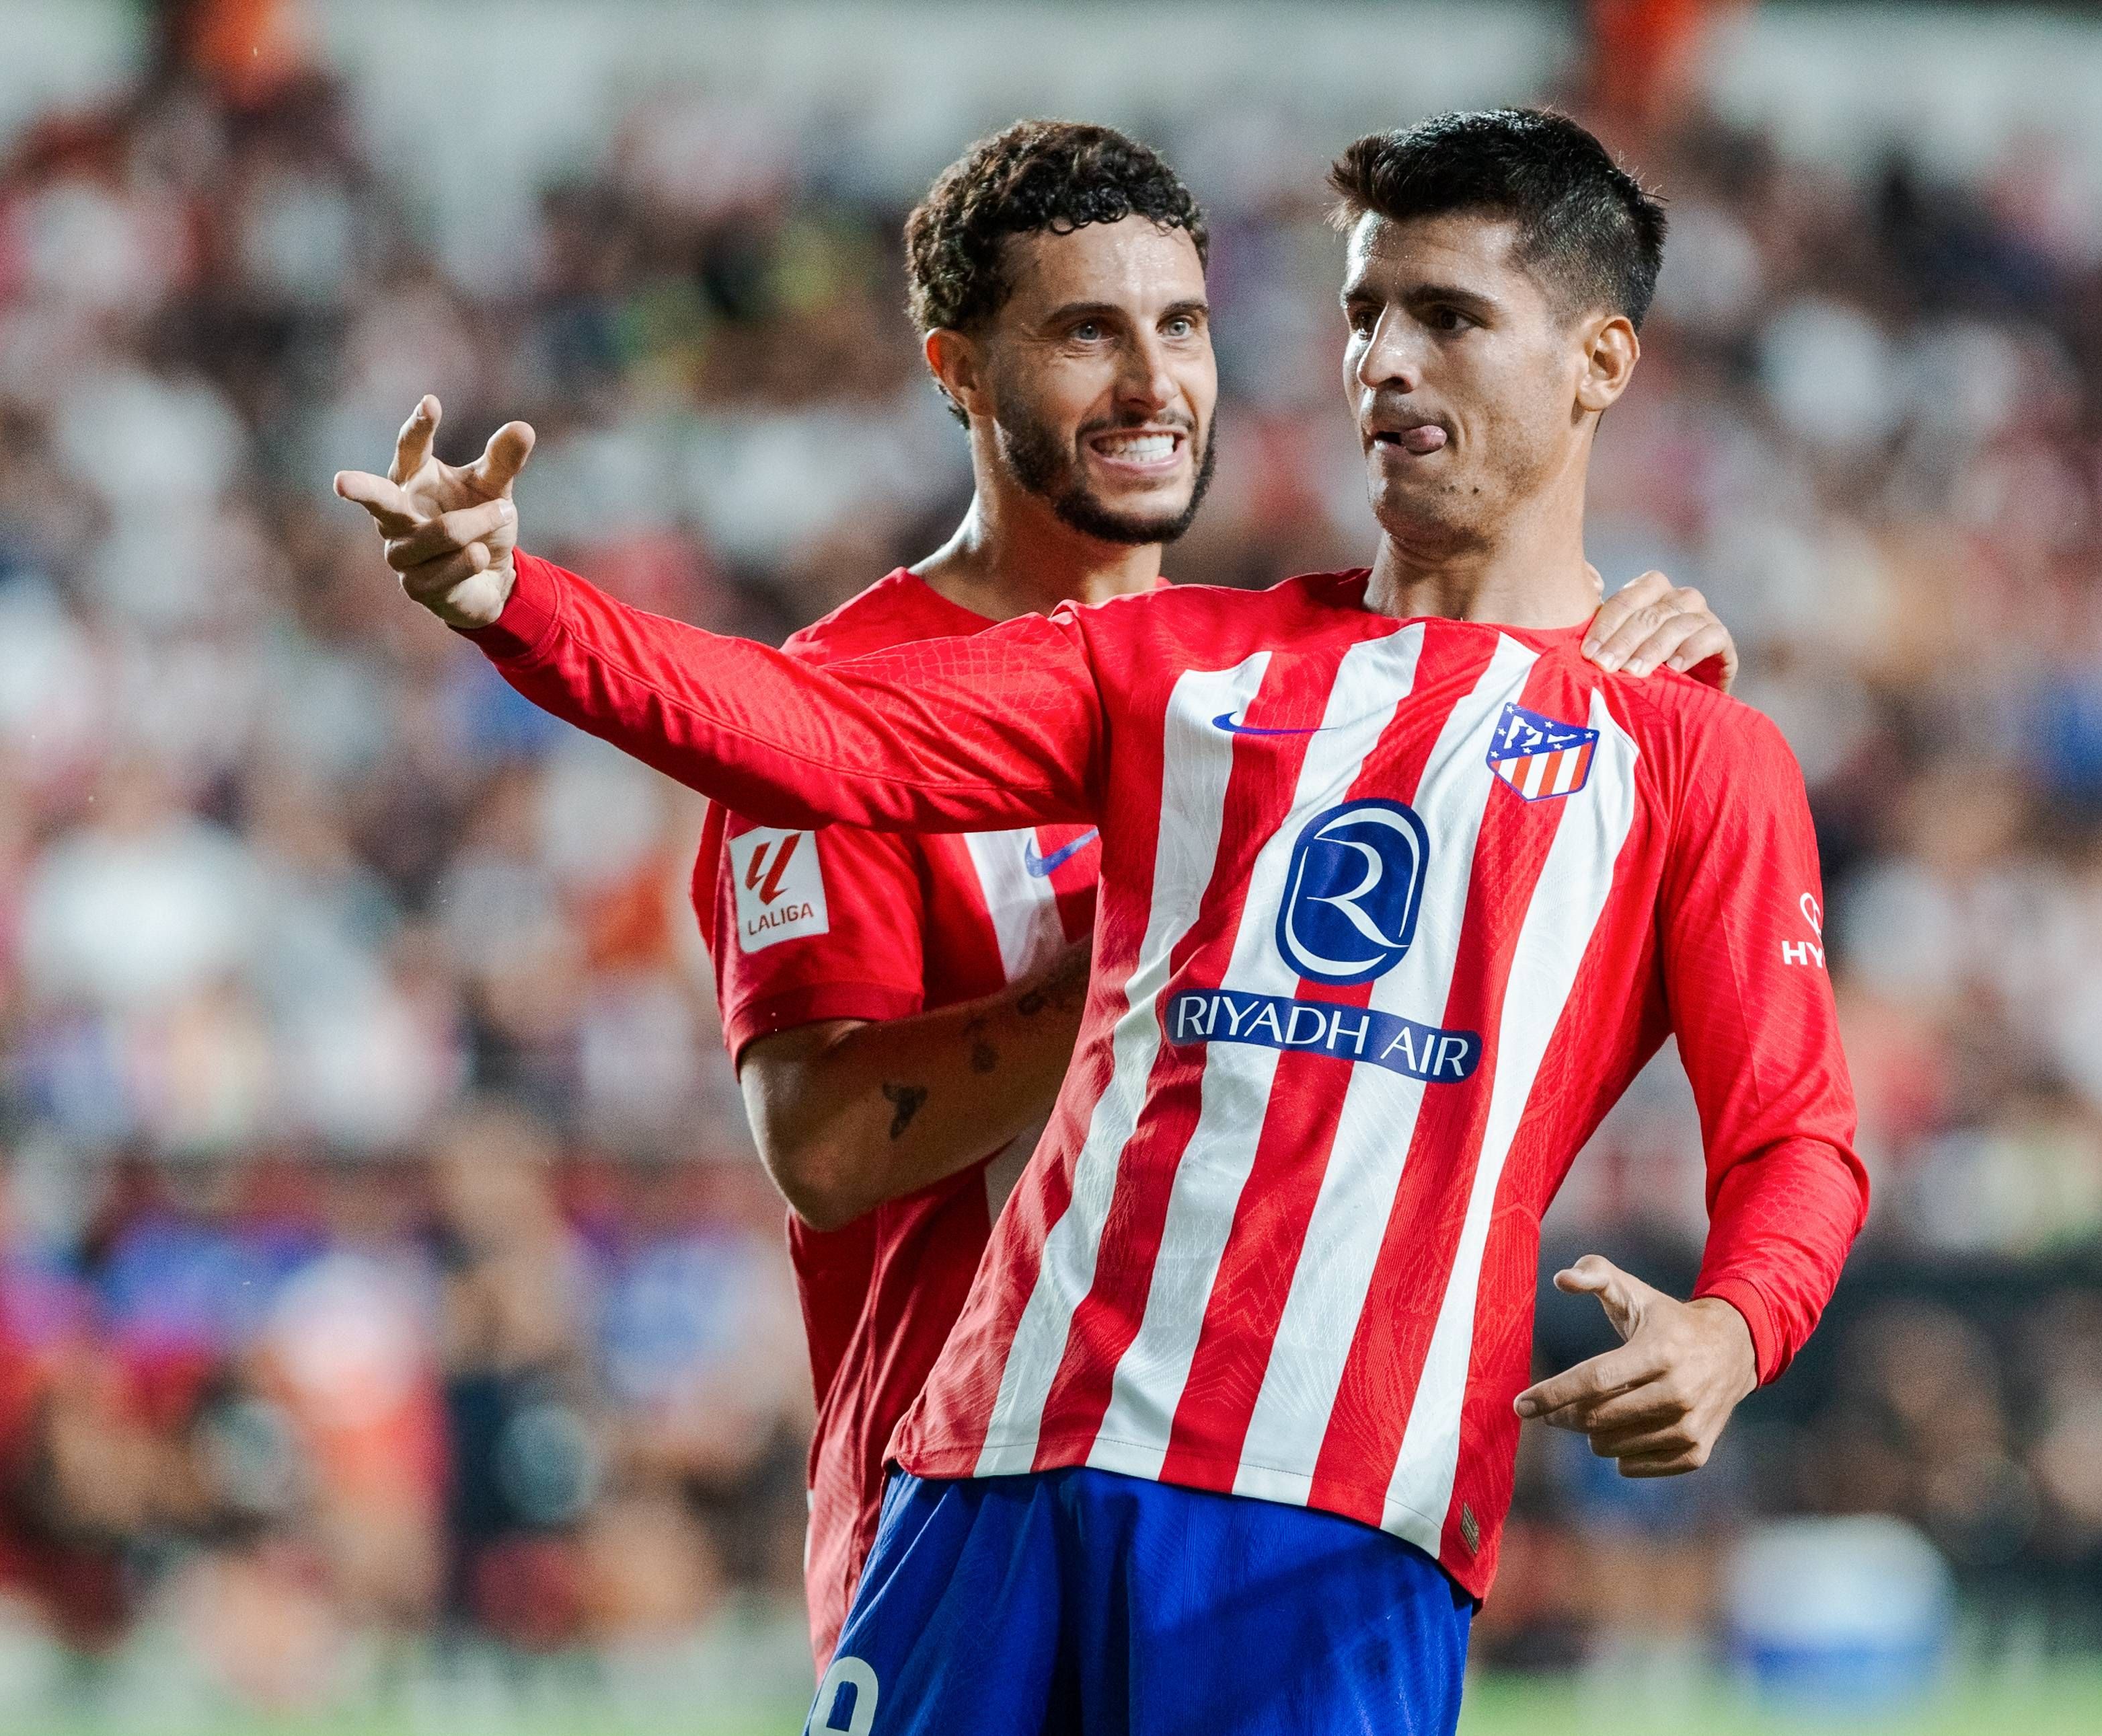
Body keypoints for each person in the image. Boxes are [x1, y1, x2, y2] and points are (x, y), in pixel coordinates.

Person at [342, 107, 1865, 1735]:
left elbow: (1795, 1132)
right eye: (1362, 315)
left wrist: (1733, 1327)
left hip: (1330, 1516)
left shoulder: (1691, 754)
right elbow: (824, 732)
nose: (1384, 365)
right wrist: (515, 601)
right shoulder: (1193, 663)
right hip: (996, 1457)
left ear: (1600, 362)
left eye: (1447, 317)